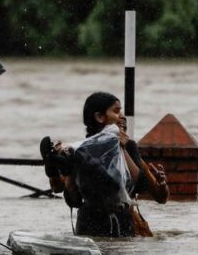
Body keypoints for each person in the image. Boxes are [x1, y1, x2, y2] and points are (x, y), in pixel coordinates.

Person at [39, 92, 168, 237]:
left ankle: (61, 164)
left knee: (78, 161)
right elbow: (65, 193)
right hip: (106, 226)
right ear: (99, 117)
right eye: (116, 111)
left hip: (105, 224)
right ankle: (59, 164)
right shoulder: (81, 150)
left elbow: (159, 196)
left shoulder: (126, 147)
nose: (122, 116)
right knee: (78, 161)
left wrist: (162, 183)